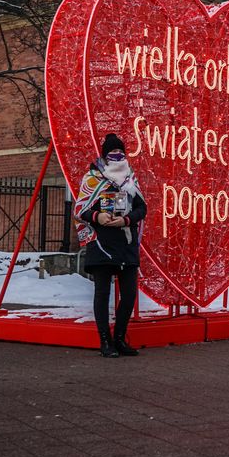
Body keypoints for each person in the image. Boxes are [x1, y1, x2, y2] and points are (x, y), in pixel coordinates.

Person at [75, 133, 147, 358]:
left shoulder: (130, 179)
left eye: (121, 153)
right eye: (113, 153)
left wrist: (126, 220)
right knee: (102, 294)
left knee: (128, 295)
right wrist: (98, 217)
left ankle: (120, 338)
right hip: (102, 244)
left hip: (125, 244)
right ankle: (105, 341)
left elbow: (141, 208)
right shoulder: (92, 179)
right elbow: (80, 210)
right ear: (105, 155)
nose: (118, 157)